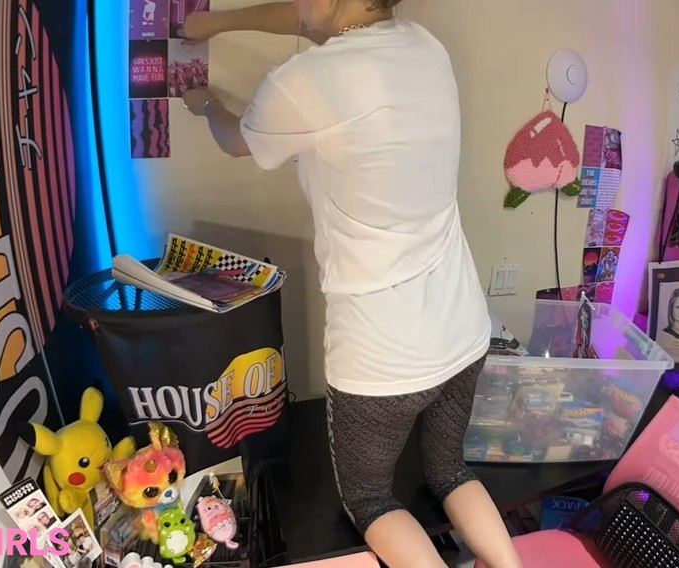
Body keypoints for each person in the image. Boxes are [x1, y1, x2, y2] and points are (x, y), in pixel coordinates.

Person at [180, 2, 521, 566]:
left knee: (369, 499)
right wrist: (218, 23)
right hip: (464, 330)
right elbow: (311, 20)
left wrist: (206, 103)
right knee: (448, 470)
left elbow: (236, 139)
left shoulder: (306, 80)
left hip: (381, 357)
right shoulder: (426, 48)